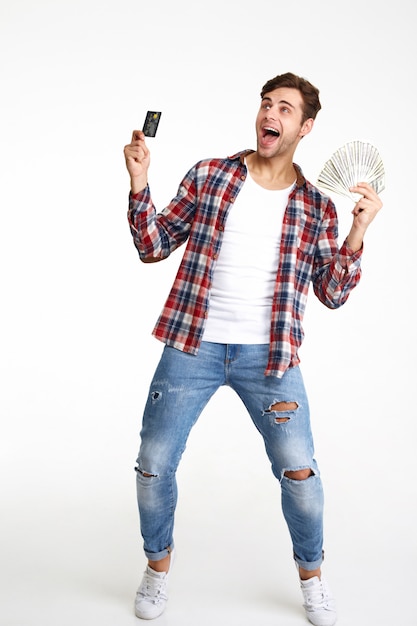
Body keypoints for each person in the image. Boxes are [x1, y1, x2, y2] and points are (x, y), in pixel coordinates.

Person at [123, 72, 382, 626]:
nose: (272, 114)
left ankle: (312, 577)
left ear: (304, 127)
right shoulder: (212, 176)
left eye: (285, 108)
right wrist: (140, 181)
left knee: (300, 472)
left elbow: (332, 293)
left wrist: (357, 232)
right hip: (193, 344)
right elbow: (153, 245)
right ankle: (157, 568)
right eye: (267, 104)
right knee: (153, 464)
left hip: (270, 359)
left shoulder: (315, 205)